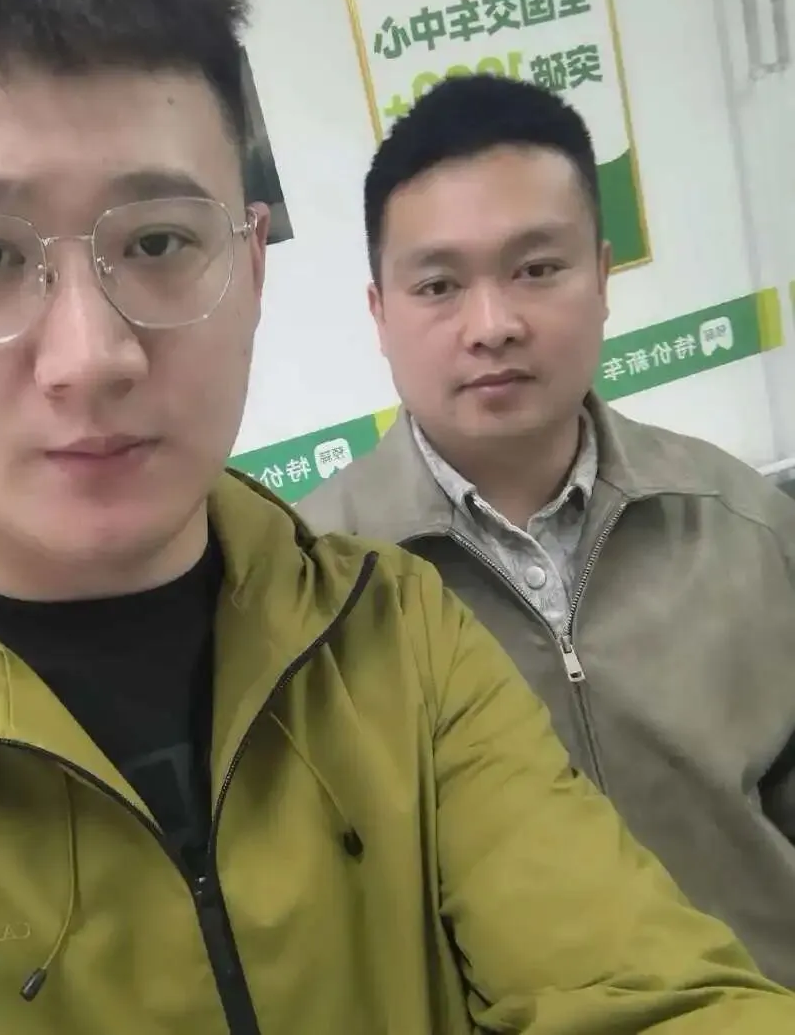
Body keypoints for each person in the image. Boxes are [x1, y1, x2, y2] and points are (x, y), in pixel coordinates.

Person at [0, 0, 793, 1035]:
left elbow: (640, 988)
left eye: (158, 241)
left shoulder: (398, 645)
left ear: (253, 263)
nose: (92, 354)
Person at [298, 72, 795, 989]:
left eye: (536, 269)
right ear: (380, 313)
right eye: (439, 284)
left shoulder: (738, 519)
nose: (492, 325)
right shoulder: (310, 587)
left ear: (602, 276)